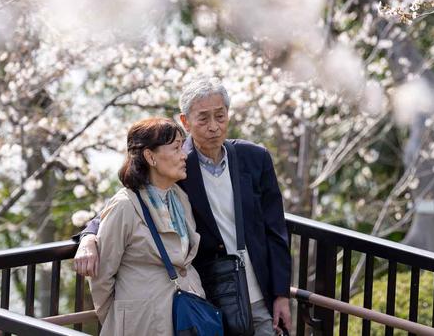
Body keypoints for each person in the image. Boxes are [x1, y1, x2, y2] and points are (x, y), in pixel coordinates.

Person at [78, 78, 293, 335]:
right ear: (185, 121)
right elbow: (129, 200)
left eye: (220, 116)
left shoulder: (254, 158)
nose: (214, 127)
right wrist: (89, 236)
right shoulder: (178, 164)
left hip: (258, 291)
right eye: (203, 119)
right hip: (208, 295)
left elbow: (275, 229)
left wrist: (281, 294)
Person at [89, 117, 210, 336]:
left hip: (184, 318)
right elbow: (102, 277)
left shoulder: (180, 197)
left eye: (182, 147)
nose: (184, 156)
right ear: (150, 156)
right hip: (142, 324)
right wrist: (124, 318)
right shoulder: (125, 205)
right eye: (175, 148)